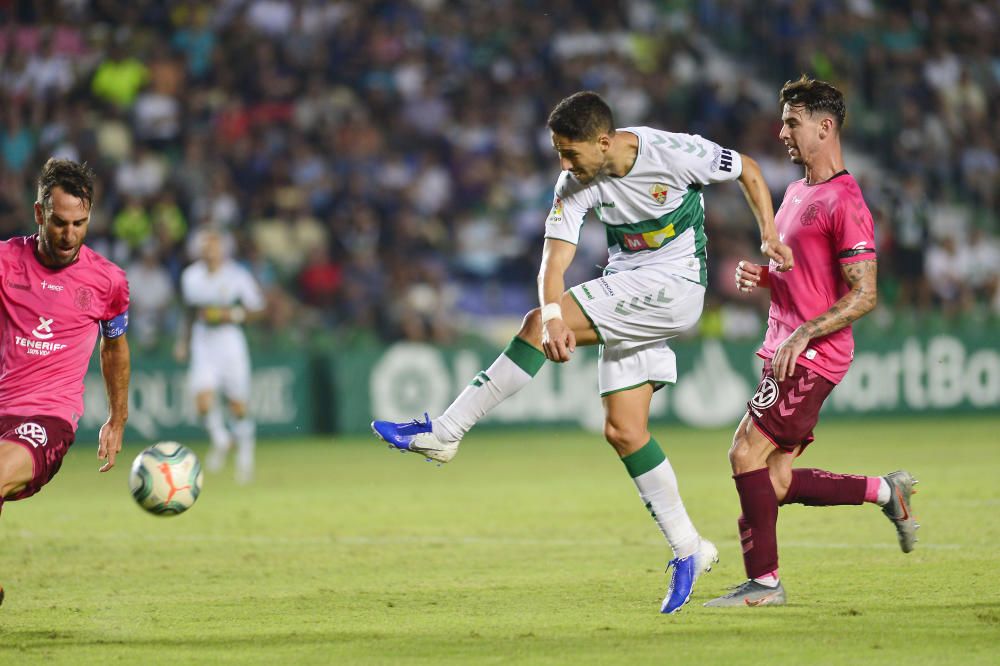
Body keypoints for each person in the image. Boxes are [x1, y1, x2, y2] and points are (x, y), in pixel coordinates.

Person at [373, 91, 793, 614]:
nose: (563, 164)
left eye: (570, 153)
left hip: (677, 286)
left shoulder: (672, 151)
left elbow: (749, 169)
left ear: (603, 141)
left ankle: (446, 433)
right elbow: (553, 262)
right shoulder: (575, 182)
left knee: (533, 325)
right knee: (623, 430)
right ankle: (690, 548)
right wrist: (553, 317)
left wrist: (769, 236)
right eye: (557, 153)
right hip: (627, 286)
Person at [704, 76, 918, 608]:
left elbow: (864, 294)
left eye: (792, 123)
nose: (781, 133)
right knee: (773, 480)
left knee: (743, 452)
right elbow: (809, 278)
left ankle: (765, 584)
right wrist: (769, 278)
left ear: (825, 128)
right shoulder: (797, 192)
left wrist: (804, 331)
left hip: (811, 354)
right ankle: (887, 491)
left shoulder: (846, 201)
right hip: (784, 347)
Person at [0, 158, 131, 605]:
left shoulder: (108, 281)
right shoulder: (4, 263)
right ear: (39, 214)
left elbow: (114, 347)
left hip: (47, 417)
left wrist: (117, 418)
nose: (69, 234)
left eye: (80, 223)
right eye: (59, 222)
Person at [174, 228, 264, 484]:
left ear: (222, 250)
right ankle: (221, 439)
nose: (210, 252)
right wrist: (183, 342)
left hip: (230, 343)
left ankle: (245, 457)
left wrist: (232, 315)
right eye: (205, 248)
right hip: (204, 343)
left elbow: (257, 309)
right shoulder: (191, 276)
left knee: (238, 405)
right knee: (202, 402)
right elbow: (190, 311)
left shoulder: (237, 275)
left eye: (214, 247)